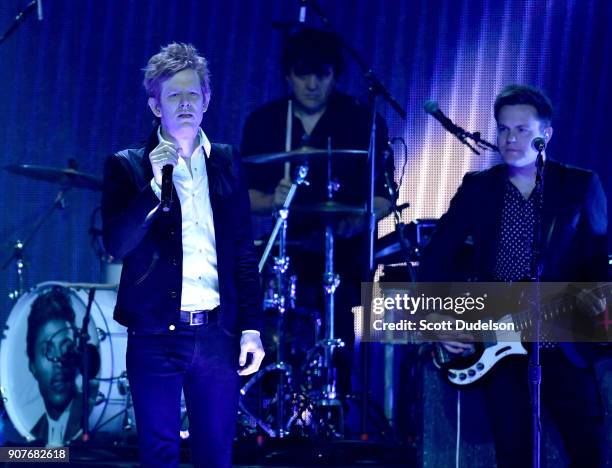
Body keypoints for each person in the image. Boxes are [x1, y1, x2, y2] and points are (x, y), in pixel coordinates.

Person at [419, 84, 608, 467]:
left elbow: (600, 263)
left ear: (546, 134)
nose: (510, 138)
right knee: (512, 451)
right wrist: (434, 317)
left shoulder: (579, 185)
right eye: (504, 129)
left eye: (522, 129)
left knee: (587, 446)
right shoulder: (478, 188)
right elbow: (435, 259)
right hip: (499, 340)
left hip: (563, 337)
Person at [102, 43, 264, 468]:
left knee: (215, 456)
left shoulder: (226, 162)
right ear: (156, 106)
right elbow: (116, 244)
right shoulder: (127, 166)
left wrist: (251, 327)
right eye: (174, 96)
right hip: (155, 334)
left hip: (216, 334)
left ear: (207, 101)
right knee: (159, 455)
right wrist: (154, 185)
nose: (186, 103)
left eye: (193, 94)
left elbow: (243, 252)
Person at [241, 28, 395, 396]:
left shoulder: (362, 121)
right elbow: (237, 196)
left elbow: (384, 197)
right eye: (302, 74)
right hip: (284, 246)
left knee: (336, 323)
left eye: (322, 75)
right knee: (260, 310)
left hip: (342, 253)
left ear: (336, 75)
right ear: (287, 75)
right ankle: (266, 404)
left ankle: (334, 404)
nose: (311, 84)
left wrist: (357, 219)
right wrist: (269, 201)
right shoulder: (265, 122)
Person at [26, 287, 83, 446]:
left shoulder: (91, 423)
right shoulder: (33, 432)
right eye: (47, 351)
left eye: (66, 348)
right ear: (32, 365)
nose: (58, 361)